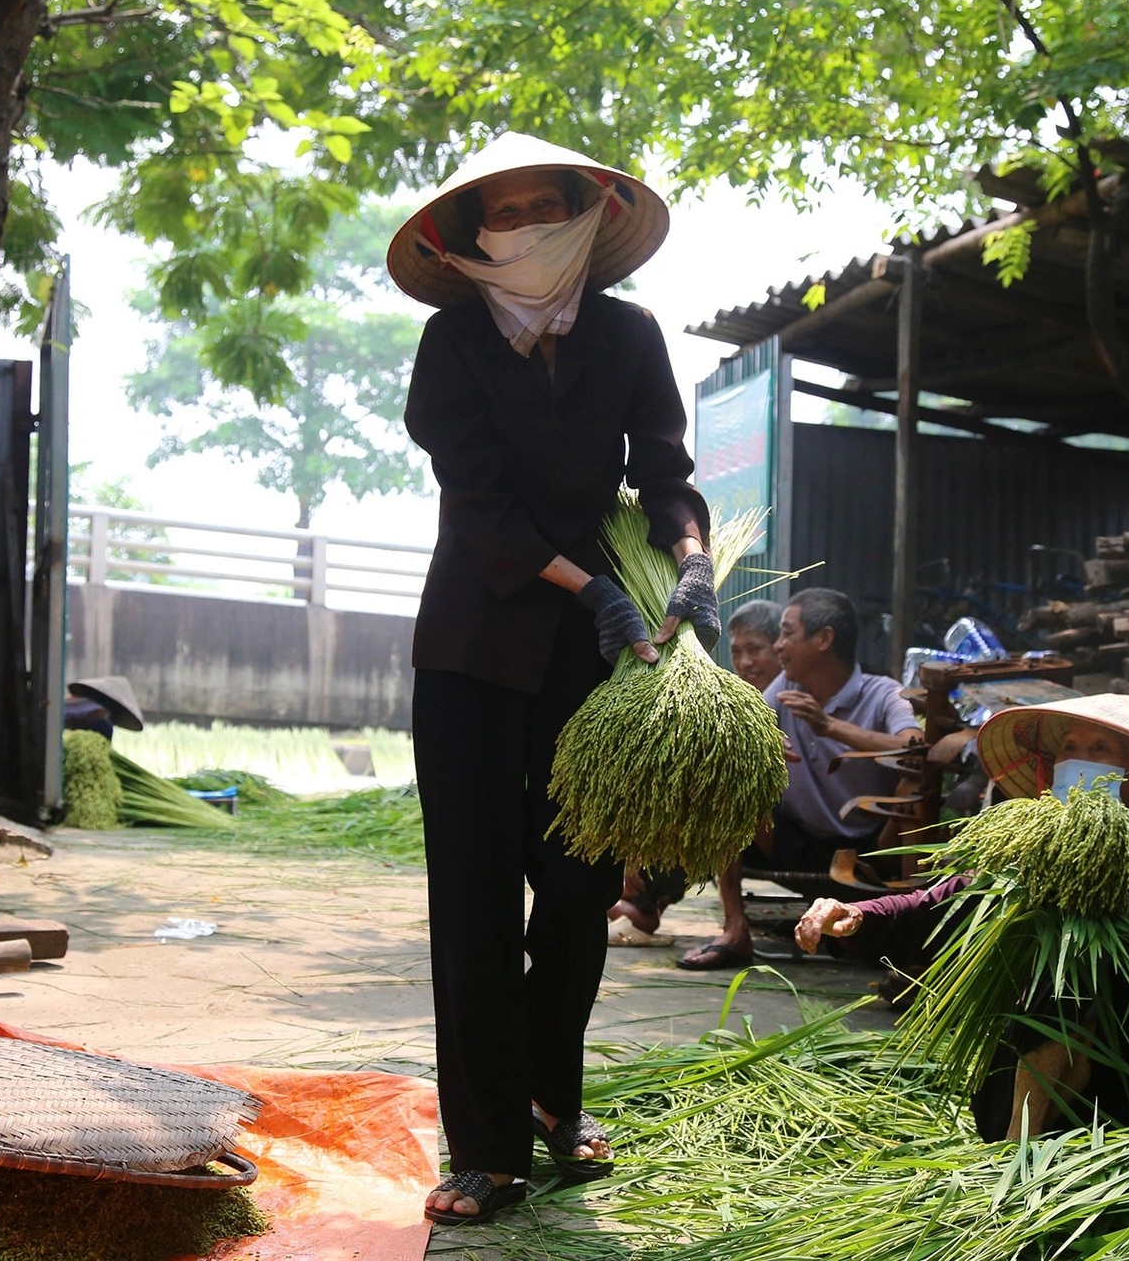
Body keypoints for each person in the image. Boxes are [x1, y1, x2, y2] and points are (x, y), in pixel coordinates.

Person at [387, 133, 716, 1225]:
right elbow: (478, 509)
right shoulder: (450, 345)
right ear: (470, 238)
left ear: (586, 216)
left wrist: (696, 561)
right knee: (475, 902)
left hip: (588, 669)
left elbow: (665, 473)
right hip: (473, 653)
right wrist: (587, 586)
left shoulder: (627, 336)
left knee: (576, 896)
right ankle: (483, 1145)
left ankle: (551, 1096)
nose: (524, 225)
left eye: (545, 206)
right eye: (502, 211)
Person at [794, 692, 1129, 1139]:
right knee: (1065, 967)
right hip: (1029, 1102)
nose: (1075, 760)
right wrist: (855, 914)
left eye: (1099, 748)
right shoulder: (1035, 857)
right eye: (1068, 747)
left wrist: (1125, 895)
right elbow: (942, 903)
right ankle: (1018, 1170)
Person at [677, 588, 922, 970]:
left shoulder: (883, 693)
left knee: (916, 787)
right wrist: (759, 742)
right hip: (797, 841)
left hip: (872, 851)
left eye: (787, 634)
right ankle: (735, 931)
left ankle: (912, 946)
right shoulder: (787, 690)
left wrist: (830, 726)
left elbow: (913, 751)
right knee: (730, 779)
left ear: (823, 639)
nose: (778, 647)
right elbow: (745, 726)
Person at [608, 599, 785, 943]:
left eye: (756, 649)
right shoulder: (728, 705)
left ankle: (730, 926)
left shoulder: (786, 699)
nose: (745, 663)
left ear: (781, 648)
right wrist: (630, 854)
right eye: (737, 651)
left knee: (727, 796)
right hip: (727, 830)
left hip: (774, 829)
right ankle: (641, 900)